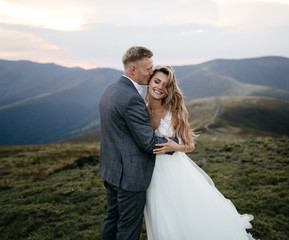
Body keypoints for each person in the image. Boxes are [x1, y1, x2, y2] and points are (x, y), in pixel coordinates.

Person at [144, 65, 256, 240]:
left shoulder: (174, 113)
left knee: (184, 215)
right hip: (149, 174)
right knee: (162, 219)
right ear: (149, 82)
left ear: (170, 89)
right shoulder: (139, 109)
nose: (159, 87)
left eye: (165, 85)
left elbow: (190, 145)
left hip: (175, 173)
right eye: (156, 81)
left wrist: (175, 147)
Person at [99, 47, 174, 240]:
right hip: (129, 177)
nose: (151, 72)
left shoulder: (111, 89)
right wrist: (176, 143)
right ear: (133, 70)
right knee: (128, 227)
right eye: (148, 69)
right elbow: (148, 143)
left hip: (111, 170)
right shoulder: (133, 98)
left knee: (112, 219)